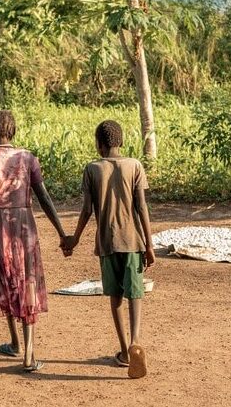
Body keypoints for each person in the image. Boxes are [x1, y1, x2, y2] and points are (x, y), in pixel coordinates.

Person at [0, 110, 67, 373]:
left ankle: (14, 342)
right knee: (27, 281)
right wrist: (61, 232)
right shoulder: (28, 159)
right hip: (23, 225)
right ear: (13, 131)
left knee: (4, 279)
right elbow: (44, 199)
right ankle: (26, 352)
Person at [63, 120, 156, 379]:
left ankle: (125, 350)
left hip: (107, 242)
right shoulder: (135, 166)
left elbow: (86, 210)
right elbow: (142, 207)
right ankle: (136, 339)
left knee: (115, 296)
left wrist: (75, 239)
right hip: (133, 241)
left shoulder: (92, 169)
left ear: (99, 144)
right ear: (121, 142)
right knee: (135, 294)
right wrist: (149, 244)